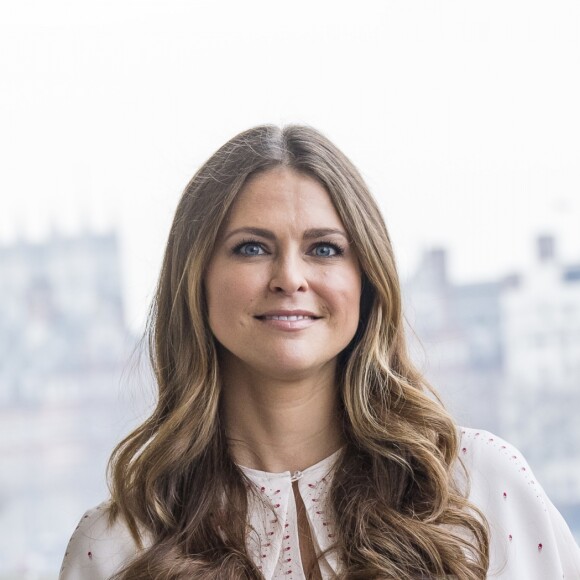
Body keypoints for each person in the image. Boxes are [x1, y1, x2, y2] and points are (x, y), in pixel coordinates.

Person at [59, 125, 580, 579]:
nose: (290, 277)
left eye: (324, 249)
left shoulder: (480, 485)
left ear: (366, 282)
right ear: (196, 280)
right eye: (252, 247)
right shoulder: (117, 546)